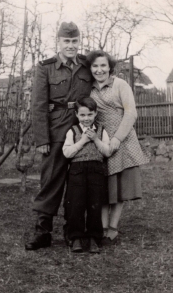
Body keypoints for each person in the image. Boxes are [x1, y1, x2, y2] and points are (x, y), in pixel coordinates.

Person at [25, 22, 92, 250]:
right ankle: (42, 231)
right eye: (67, 41)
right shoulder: (46, 67)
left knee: (80, 180)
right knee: (51, 179)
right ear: (59, 42)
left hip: (83, 127)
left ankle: (74, 231)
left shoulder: (86, 65)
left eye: (74, 41)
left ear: (78, 41)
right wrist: (42, 139)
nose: (71, 46)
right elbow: (39, 105)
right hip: (56, 130)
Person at [86, 50, 150, 244]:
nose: (99, 70)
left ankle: (113, 228)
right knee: (104, 185)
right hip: (101, 139)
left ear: (110, 67)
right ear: (90, 69)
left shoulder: (120, 84)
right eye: (95, 66)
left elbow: (131, 113)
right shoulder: (88, 88)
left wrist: (117, 139)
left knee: (119, 186)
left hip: (123, 139)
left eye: (103, 65)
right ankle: (103, 227)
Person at [62, 97, 111, 253]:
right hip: (77, 171)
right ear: (77, 115)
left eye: (90, 114)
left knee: (95, 204)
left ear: (95, 113)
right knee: (75, 204)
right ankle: (75, 237)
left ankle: (93, 238)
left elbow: (107, 151)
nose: (86, 118)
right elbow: (67, 153)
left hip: (96, 171)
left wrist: (96, 139)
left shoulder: (102, 130)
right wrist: (82, 141)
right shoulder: (72, 131)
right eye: (82, 115)